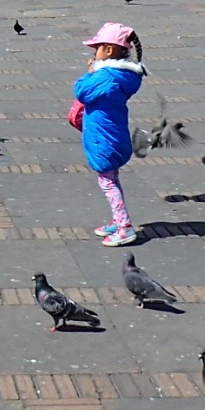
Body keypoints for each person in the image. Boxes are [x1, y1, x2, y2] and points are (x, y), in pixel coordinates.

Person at [70, 21, 146, 247]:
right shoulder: (124, 76)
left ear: (109, 50)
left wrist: (89, 73)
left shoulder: (105, 77)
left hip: (104, 139)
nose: (95, 53)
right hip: (115, 135)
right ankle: (118, 219)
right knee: (112, 178)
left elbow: (82, 92)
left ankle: (125, 227)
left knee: (107, 182)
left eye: (98, 48)